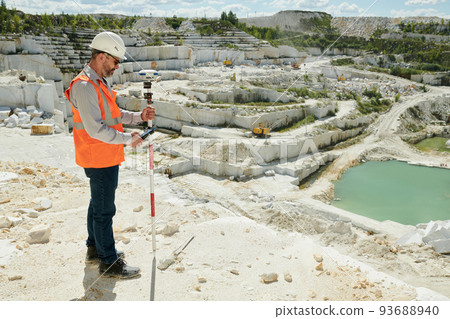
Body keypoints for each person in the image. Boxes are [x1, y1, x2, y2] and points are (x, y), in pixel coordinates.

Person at [65, 31, 155, 279]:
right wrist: (129, 139)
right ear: (102, 56)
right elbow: (95, 129)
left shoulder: (98, 82)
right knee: (105, 210)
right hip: (98, 155)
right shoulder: (84, 86)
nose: (117, 66)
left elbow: (114, 114)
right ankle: (108, 261)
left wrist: (139, 118)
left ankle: (94, 249)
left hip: (106, 154)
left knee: (97, 203)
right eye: (115, 61)